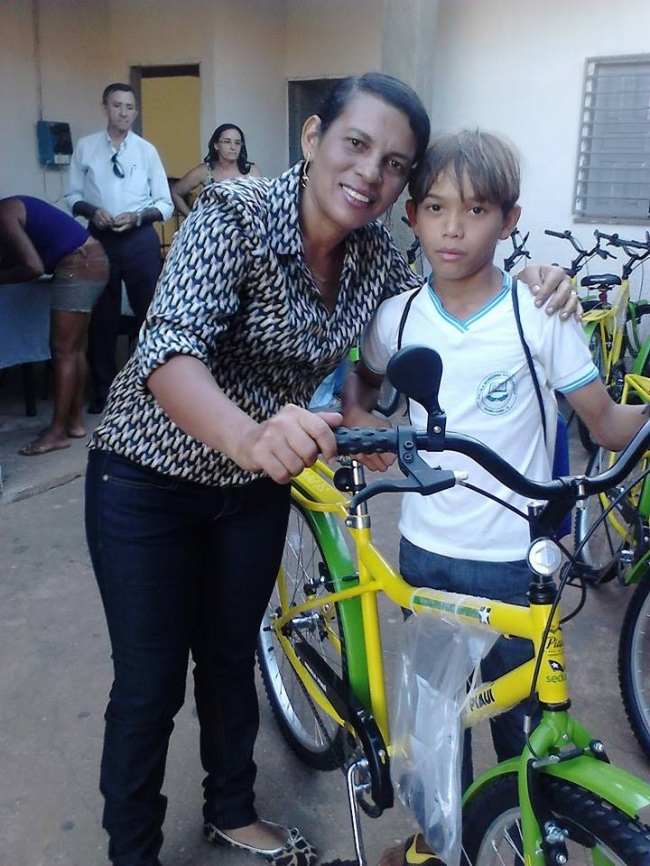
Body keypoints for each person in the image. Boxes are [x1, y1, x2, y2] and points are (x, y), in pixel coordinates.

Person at [84, 74, 576, 866]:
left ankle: (232, 810)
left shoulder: (377, 255)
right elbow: (166, 352)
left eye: (394, 164)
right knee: (148, 684)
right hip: (149, 479)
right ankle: (131, 849)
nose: (371, 173)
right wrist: (248, 438)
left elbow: (428, 319)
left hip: (252, 490)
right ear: (313, 139)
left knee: (229, 653)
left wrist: (540, 289)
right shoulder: (232, 215)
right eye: (357, 144)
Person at [341, 128, 648, 866]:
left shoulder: (538, 313)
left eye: (476, 210)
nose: (454, 227)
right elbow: (365, 377)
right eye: (437, 207)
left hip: (520, 562)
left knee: (527, 731)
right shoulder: (399, 317)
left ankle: (524, 847)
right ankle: (440, 847)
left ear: (509, 220)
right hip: (425, 556)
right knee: (438, 726)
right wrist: (362, 422)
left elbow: (604, 422)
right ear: (411, 216)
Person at [65, 82, 174, 415]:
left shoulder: (146, 150)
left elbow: (166, 204)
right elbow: (71, 195)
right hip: (100, 239)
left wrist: (140, 216)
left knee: (149, 316)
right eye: (117, 106)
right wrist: (90, 210)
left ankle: (153, 388)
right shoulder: (85, 148)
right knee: (102, 318)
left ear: (135, 112)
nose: (123, 113)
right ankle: (104, 391)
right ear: (105, 108)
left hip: (139, 239)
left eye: (129, 107)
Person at [0, 195, 109, 455]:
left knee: (63, 351)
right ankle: (74, 423)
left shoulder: (4, 214)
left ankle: (56, 433)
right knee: (75, 349)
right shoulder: (9, 209)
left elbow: (33, 266)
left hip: (79, 263)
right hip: (91, 259)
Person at [171, 123, 262, 217]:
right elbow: (176, 192)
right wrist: (193, 219)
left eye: (237, 143)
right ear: (216, 145)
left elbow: (263, 202)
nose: (233, 147)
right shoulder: (206, 171)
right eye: (227, 142)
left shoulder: (251, 170)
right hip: (213, 228)